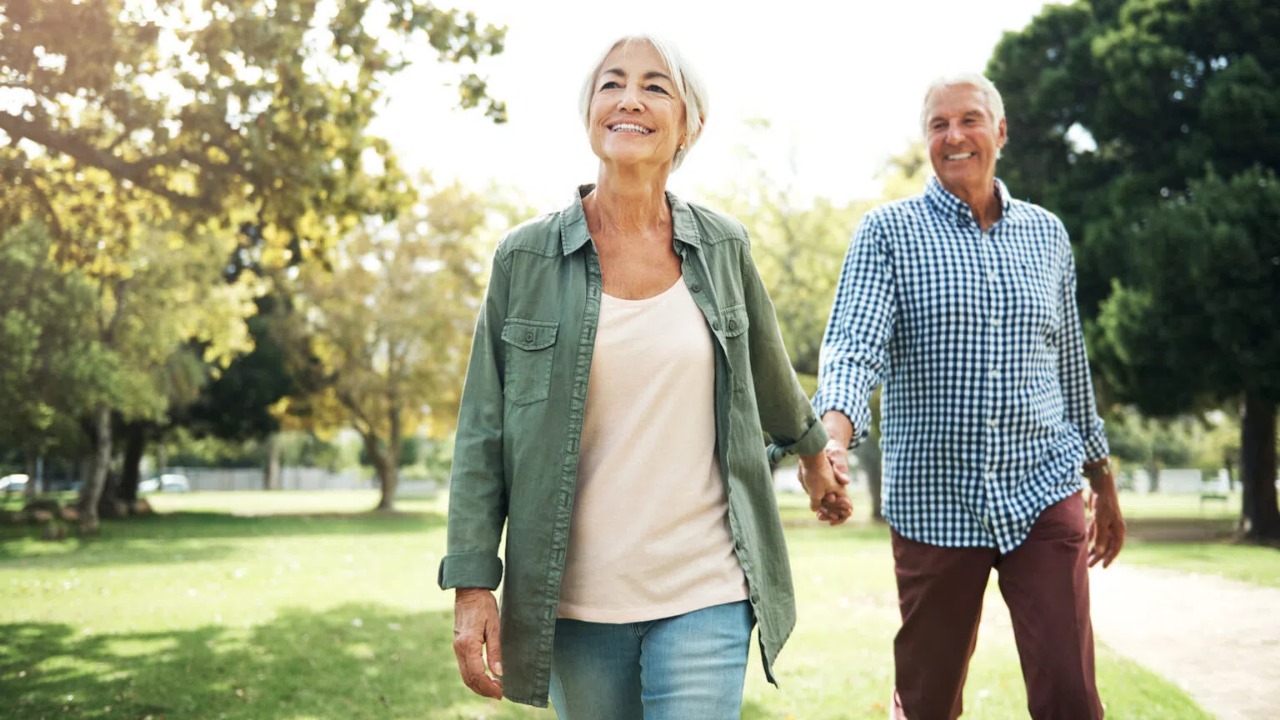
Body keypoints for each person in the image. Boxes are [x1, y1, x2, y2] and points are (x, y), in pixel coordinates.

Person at [440, 34, 852, 718]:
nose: (630, 98)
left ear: (688, 123)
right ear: (590, 114)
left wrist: (813, 458)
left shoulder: (723, 247)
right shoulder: (525, 259)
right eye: (612, 83)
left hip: (705, 588)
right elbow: (483, 432)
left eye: (656, 86)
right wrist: (473, 585)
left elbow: (770, 377)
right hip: (573, 602)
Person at [809, 73, 1127, 720]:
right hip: (935, 500)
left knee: (1071, 693)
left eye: (970, 120)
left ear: (1001, 132)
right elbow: (852, 348)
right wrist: (831, 441)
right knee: (929, 699)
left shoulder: (1046, 236)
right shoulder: (887, 234)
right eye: (938, 125)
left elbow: (1069, 364)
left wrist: (1102, 476)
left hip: (1043, 489)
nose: (954, 136)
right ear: (926, 139)